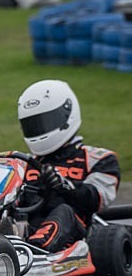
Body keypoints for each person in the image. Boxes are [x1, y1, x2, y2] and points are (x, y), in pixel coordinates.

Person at [17, 79, 120, 252]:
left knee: (63, 210)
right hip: (26, 223)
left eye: (45, 122)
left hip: (75, 230)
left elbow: (96, 199)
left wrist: (64, 186)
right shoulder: (24, 163)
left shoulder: (98, 158)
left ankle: (36, 249)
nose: (39, 129)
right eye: (33, 125)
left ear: (66, 116)